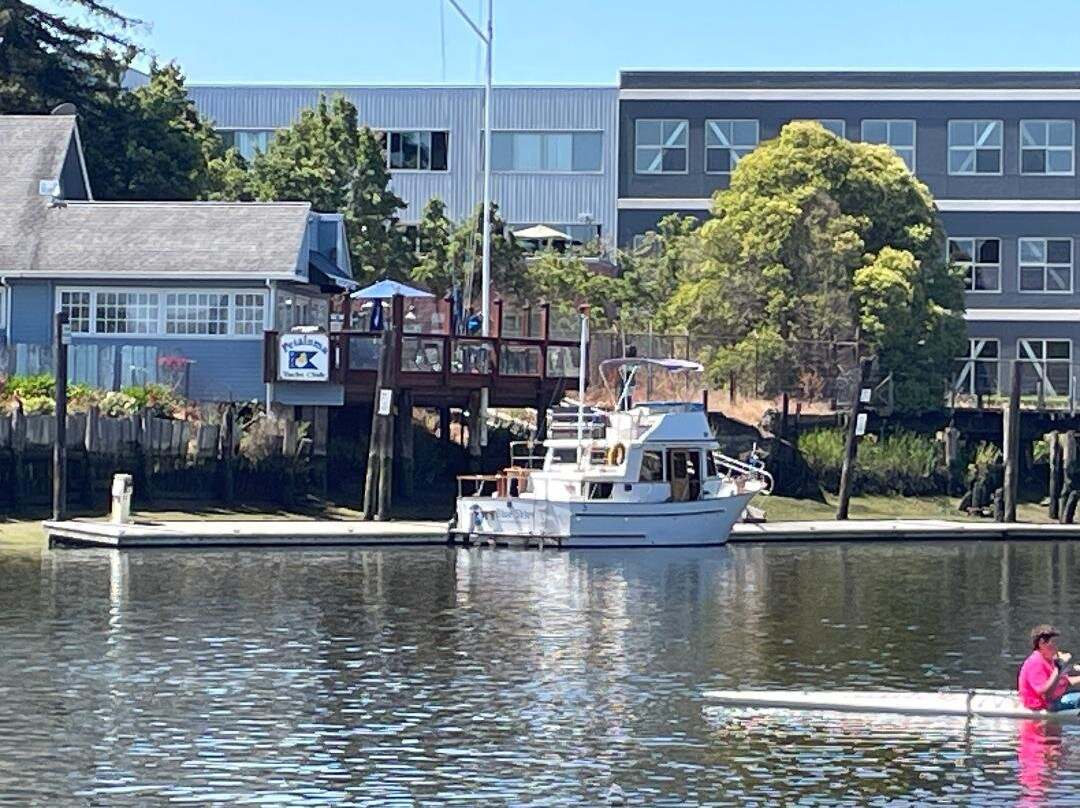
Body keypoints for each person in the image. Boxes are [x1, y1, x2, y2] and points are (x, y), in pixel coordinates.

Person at [1018, 624, 1080, 711]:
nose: (1057, 646)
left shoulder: (1049, 659)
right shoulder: (1035, 662)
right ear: (1042, 643)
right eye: (1054, 642)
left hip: (1056, 700)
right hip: (1043, 706)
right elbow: (1046, 695)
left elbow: (1064, 681)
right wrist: (1059, 666)